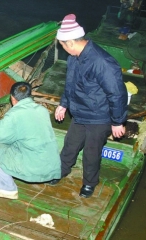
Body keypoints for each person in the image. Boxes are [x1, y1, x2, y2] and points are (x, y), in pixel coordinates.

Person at [49, 14, 128, 198]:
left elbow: (117, 93)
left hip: (100, 116)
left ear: (70, 42)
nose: (62, 49)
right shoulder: (74, 58)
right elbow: (70, 84)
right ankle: (62, 171)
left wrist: (117, 121)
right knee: (70, 145)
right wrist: (63, 104)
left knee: (91, 153)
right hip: (80, 112)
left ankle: (89, 183)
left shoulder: (102, 62)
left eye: (62, 45)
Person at [0, 82, 61, 200]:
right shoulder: (42, 110)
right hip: (52, 165)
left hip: (35, 169)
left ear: (12, 98)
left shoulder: (14, 115)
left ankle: (8, 189)